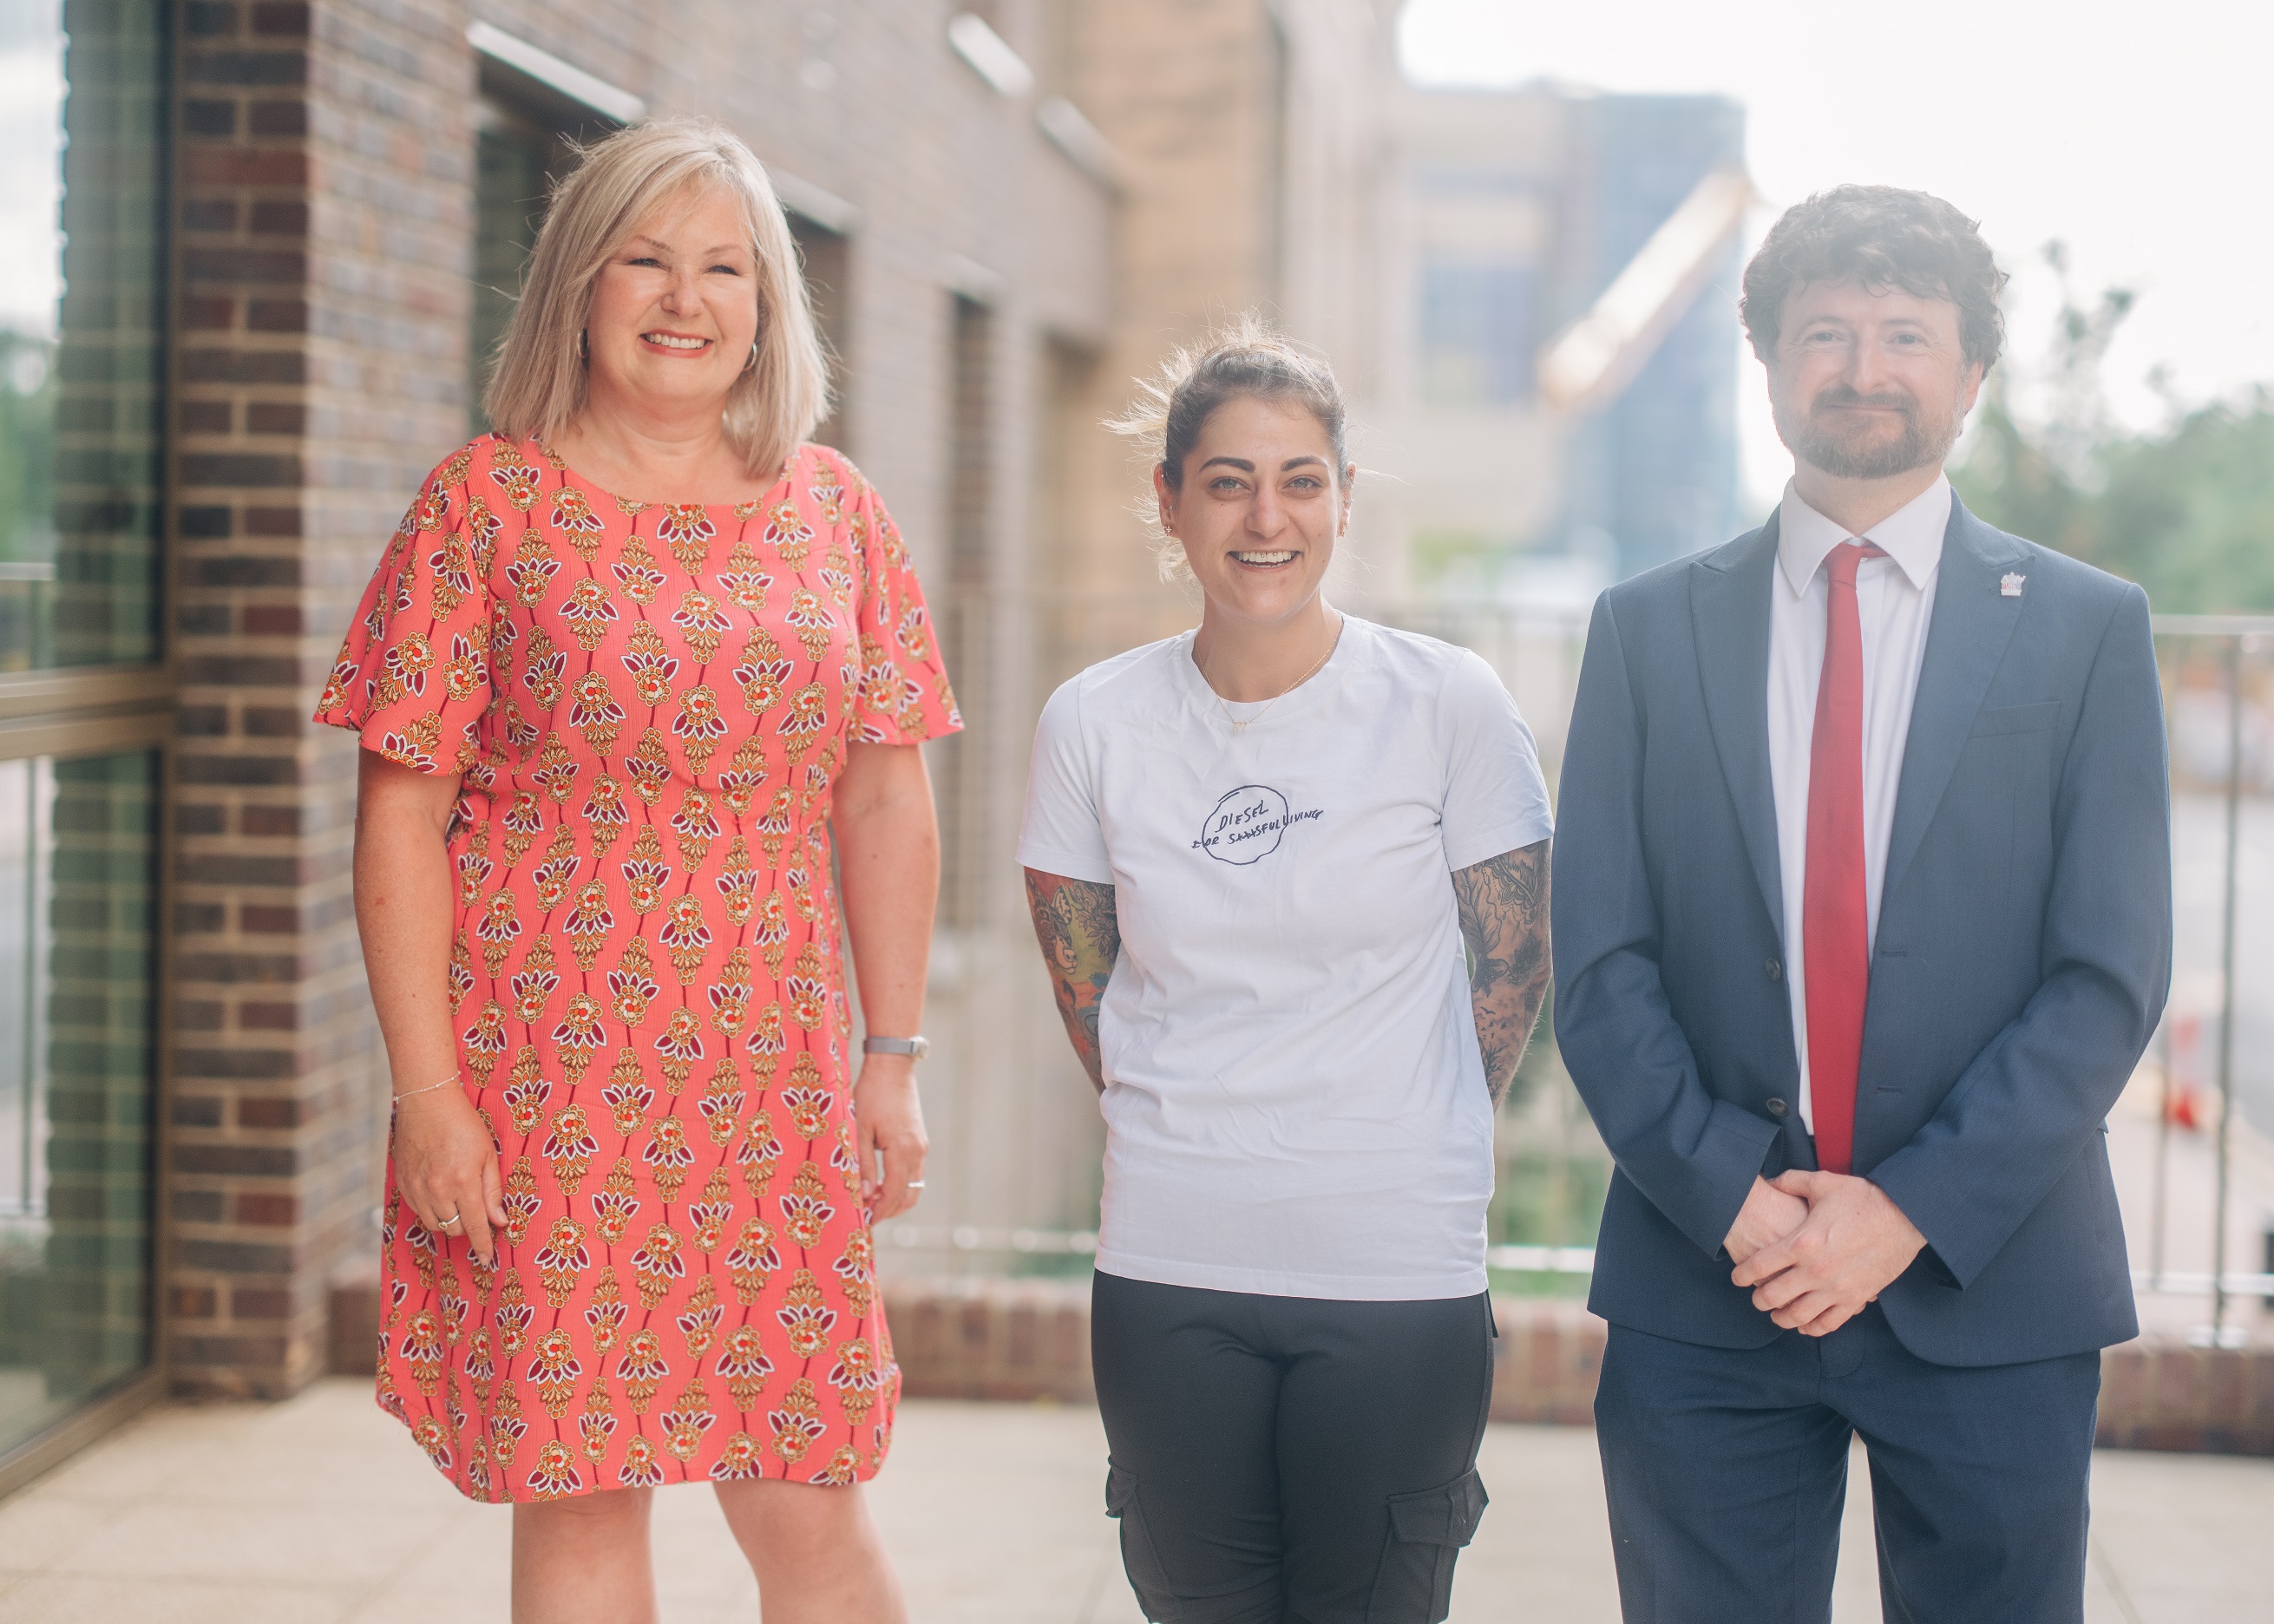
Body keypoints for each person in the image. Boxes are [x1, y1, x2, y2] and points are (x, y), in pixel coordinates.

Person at [316, 116, 959, 1624]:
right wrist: (429, 1099)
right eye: (647, 261)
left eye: (725, 267)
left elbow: (885, 803)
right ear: (577, 289)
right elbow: (398, 815)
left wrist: (890, 1058)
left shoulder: (837, 510)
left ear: (768, 302)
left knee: (808, 1495)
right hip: (540, 1071)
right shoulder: (481, 503)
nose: (686, 299)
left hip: (771, 1074)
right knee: (582, 1493)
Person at [1553, 184, 2172, 1621]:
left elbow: (2106, 975)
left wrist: (1905, 1211)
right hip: (1707, 1284)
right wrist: (1732, 1204)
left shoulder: (2087, 631)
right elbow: (1599, 960)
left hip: (1989, 1281)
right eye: (1823, 332)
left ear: (1967, 374)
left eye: (1904, 333)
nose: (1863, 366)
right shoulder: (1646, 631)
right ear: (1769, 367)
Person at [1018, 320, 1555, 1624]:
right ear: (1170, 501)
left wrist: (1388, 1123)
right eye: (1226, 481)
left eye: (1300, 480)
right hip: (1170, 1259)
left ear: (1344, 499)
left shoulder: (1447, 702)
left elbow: (1514, 972)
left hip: (1392, 1264)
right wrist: (1196, 1113)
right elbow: (1084, 988)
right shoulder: (1092, 720)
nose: (1267, 517)